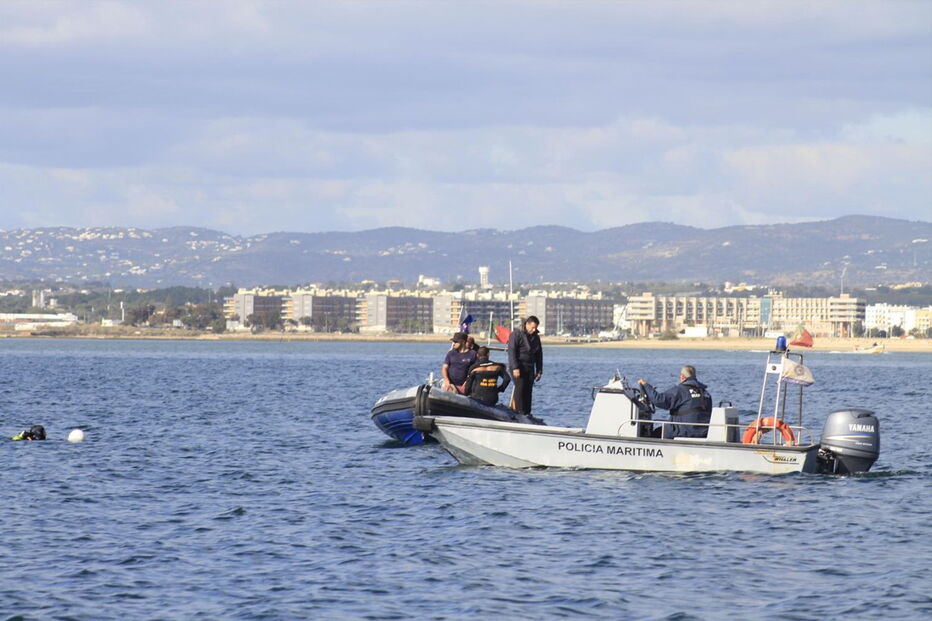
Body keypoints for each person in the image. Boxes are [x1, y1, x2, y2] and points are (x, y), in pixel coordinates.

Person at [638, 365, 712, 439]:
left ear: (682, 377)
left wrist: (645, 385)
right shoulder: (705, 393)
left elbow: (659, 400)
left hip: (685, 431)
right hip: (704, 432)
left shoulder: (681, 390)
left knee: (654, 434)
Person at [507, 316, 543, 414]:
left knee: (528, 390)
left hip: (529, 367)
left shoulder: (536, 337)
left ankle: (527, 412)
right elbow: (512, 352)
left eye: (536, 327)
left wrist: (539, 370)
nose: (534, 330)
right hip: (518, 366)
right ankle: (519, 411)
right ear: (527, 324)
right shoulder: (516, 334)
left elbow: (539, 355)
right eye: (532, 327)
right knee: (520, 388)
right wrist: (515, 367)